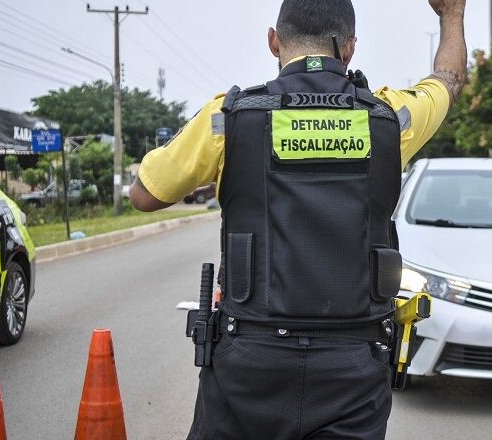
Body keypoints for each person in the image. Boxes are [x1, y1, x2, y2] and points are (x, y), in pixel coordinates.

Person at [130, 0, 467, 438]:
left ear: (274, 41)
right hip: (354, 365)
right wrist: (452, 16)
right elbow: (448, 81)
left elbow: (144, 195)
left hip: (250, 362)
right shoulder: (391, 119)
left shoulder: (227, 119)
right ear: (349, 49)